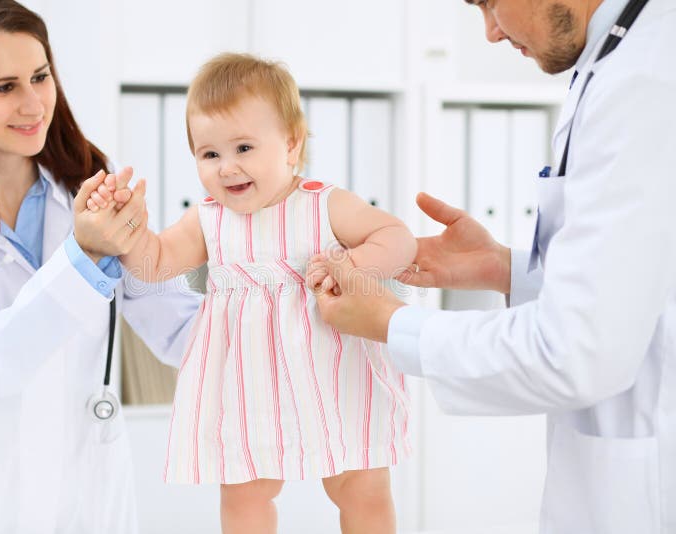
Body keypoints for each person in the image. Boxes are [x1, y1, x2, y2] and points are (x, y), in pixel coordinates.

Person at [311, 0, 676, 533]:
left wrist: (395, 324)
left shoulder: (647, 79)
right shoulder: (615, 59)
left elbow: (576, 353)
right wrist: (505, 270)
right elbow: (642, 284)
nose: (488, 33)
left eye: (488, 3)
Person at [0, 1, 200, 533]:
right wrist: (82, 256)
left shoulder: (91, 180)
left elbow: (169, 318)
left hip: (87, 490)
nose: (34, 105)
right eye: (4, 88)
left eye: (40, 76)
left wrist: (280, 311)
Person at [87, 52, 417, 534]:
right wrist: (128, 226)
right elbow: (154, 264)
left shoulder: (323, 204)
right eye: (210, 154)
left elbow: (397, 237)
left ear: (290, 143)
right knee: (244, 493)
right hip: (248, 379)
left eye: (243, 147)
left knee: (359, 485)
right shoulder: (206, 219)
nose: (227, 168)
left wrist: (352, 266)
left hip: (333, 363)